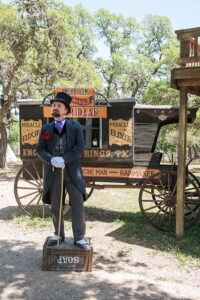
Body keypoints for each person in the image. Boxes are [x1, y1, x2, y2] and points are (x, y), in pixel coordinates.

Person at [36, 92, 89, 249]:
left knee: (78, 203)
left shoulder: (75, 126)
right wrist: (51, 159)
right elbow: (40, 149)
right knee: (56, 205)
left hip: (73, 173)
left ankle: (79, 238)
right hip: (53, 173)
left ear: (66, 110)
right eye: (53, 105)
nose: (55, 108)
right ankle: (58, 233)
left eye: (59, 106)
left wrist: (64, 159)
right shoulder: (46, 129)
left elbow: (80, 147)